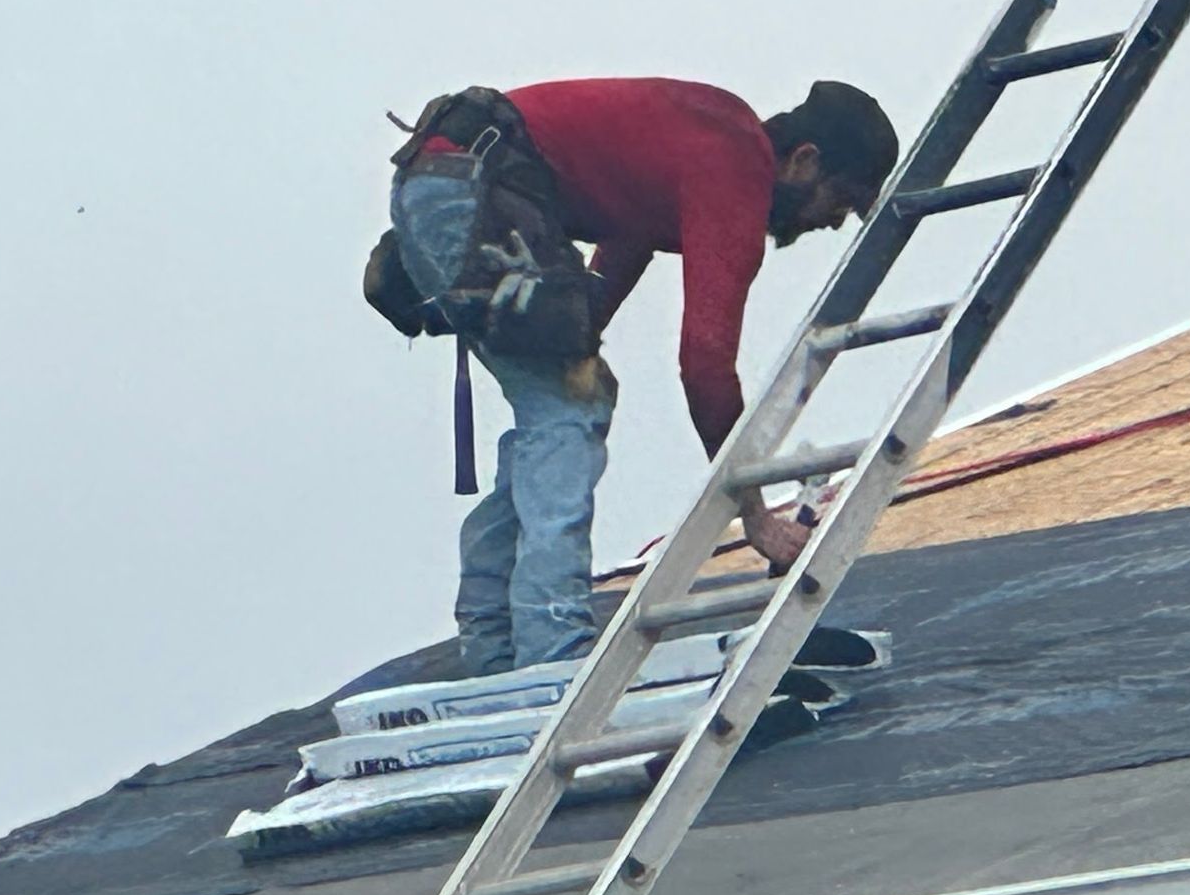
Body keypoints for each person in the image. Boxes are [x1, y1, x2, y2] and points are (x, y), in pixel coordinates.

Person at [376, 77, 899, 677]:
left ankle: (492, 638)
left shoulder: (708, 137)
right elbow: (705, 363)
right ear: (805, 159)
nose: (834, 222)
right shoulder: (734, 167)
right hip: (476, 187)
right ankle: (552, 646)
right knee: (569, 410)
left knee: (567, 398)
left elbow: (625, 237)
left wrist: (578, 343)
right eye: (842, 198)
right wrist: (752, 510)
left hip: (453, 177)